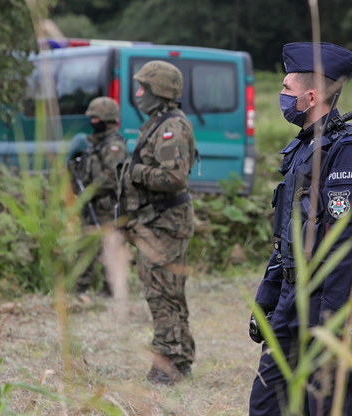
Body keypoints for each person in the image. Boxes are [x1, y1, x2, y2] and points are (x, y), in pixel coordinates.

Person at [248, 42, 352, 415]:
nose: (281, 96)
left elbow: (349, 244)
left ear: (310, 96)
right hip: (292, 302)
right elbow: (285, 240)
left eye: (287, 89)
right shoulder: (302, 149)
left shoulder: (347, 150)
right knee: (266, 404)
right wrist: (266, 303)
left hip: (328, 301)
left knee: (328, 407)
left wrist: (333, 323)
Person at [117, 60, 197, 385]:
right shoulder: (158, 122)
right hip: (155, 221)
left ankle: (167, 365)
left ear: (159, 91)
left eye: (143, 88)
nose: (137, 94)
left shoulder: (171, 127)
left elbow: (175, 177)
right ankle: (180, 358)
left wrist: (134, 172)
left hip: (164, 223)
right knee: (169, 292)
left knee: (162, 294)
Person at [72, 96, 127, 294]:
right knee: (86, 245)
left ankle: (111, 288)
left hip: (107, 205)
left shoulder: (114, 146)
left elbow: (113, 175)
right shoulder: (93, 144)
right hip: (91, 204)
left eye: (96, 119)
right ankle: (80, 287)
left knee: (109, 246)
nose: (92, 123)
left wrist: (91, 190)